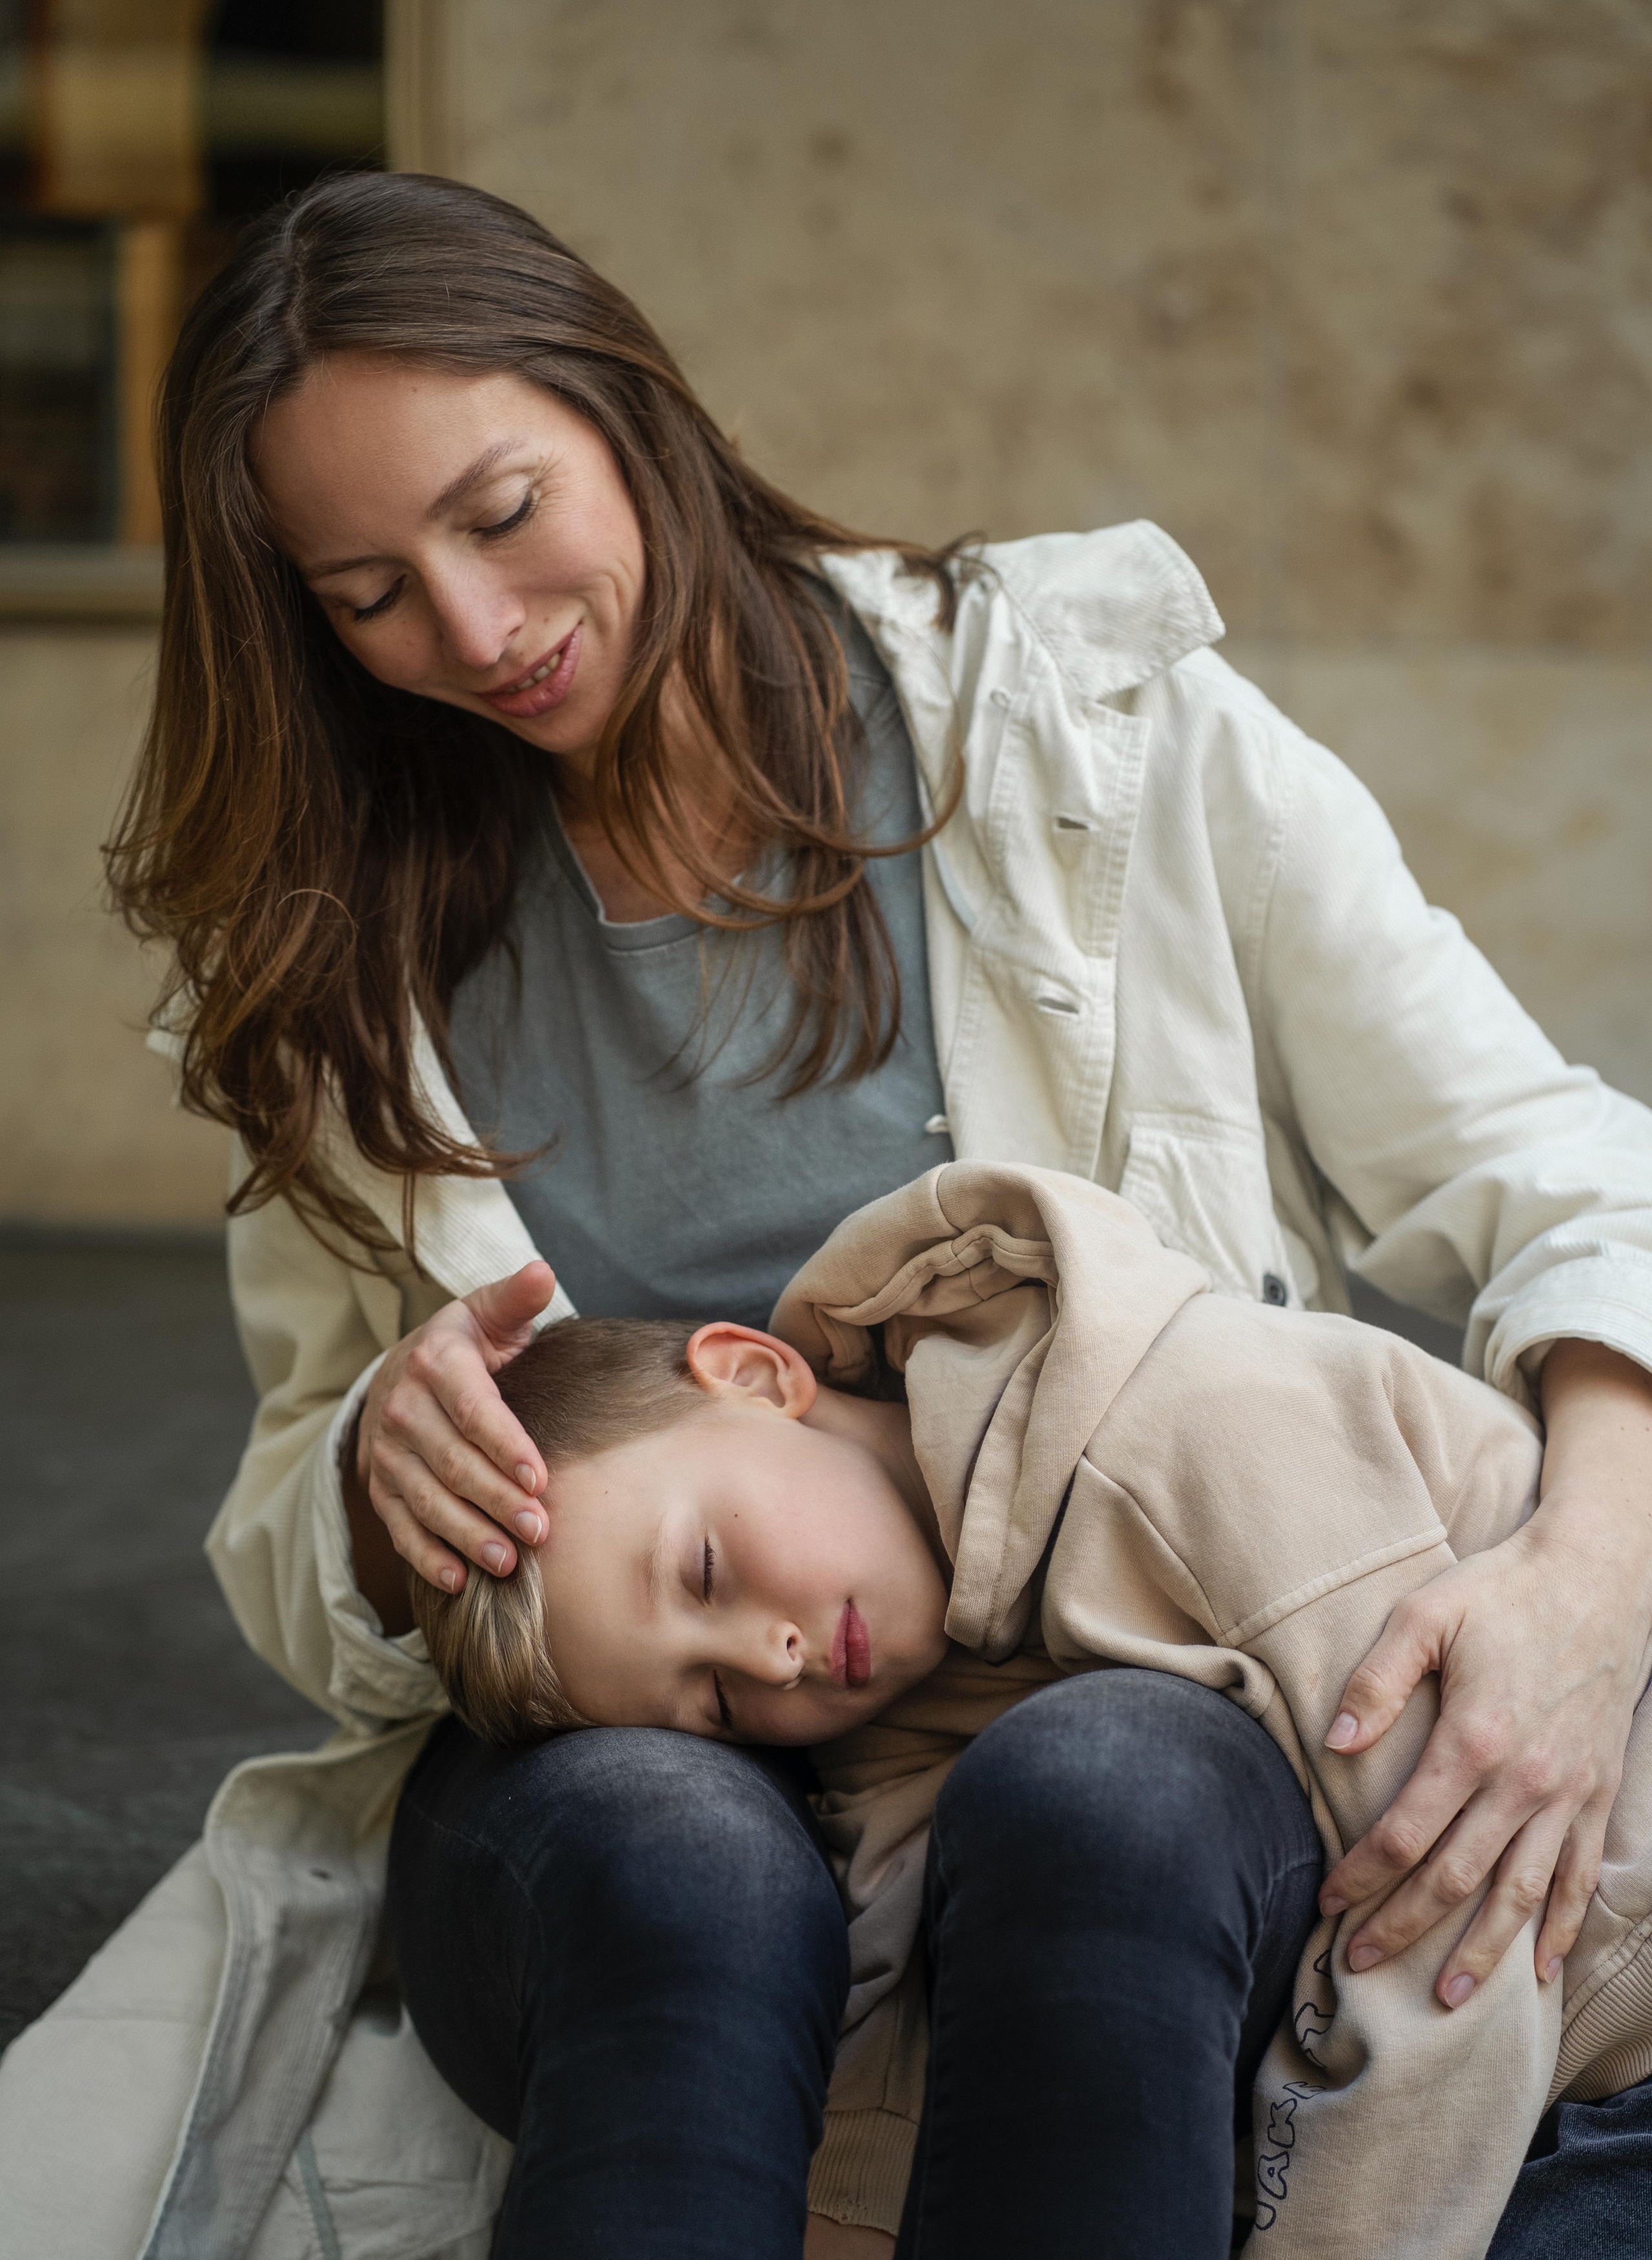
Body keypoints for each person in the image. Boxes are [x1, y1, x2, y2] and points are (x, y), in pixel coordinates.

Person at [3, 164, 1647, 2260]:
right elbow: (282, 1532)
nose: (472, 630)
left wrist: (1588, 1586)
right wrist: (362, 1490)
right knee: (679, 1846)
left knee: (1115, 1783)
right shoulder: (347, 950)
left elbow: (1569, 1172)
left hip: (1118, 1735)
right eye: (366, 592)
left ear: (633, 409)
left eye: (499, 515)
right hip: (612, 1776)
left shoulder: (1087, 729)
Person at [403, 1160, 1652, 2259]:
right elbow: (896, 2021)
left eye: (706, 1570)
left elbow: (1451, 1930)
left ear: (753, 1371)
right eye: (717, 1698)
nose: (772, 1655)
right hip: (1510, 2071)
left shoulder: (1185, 1431)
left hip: (1579, 2018)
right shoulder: (893, 1681)